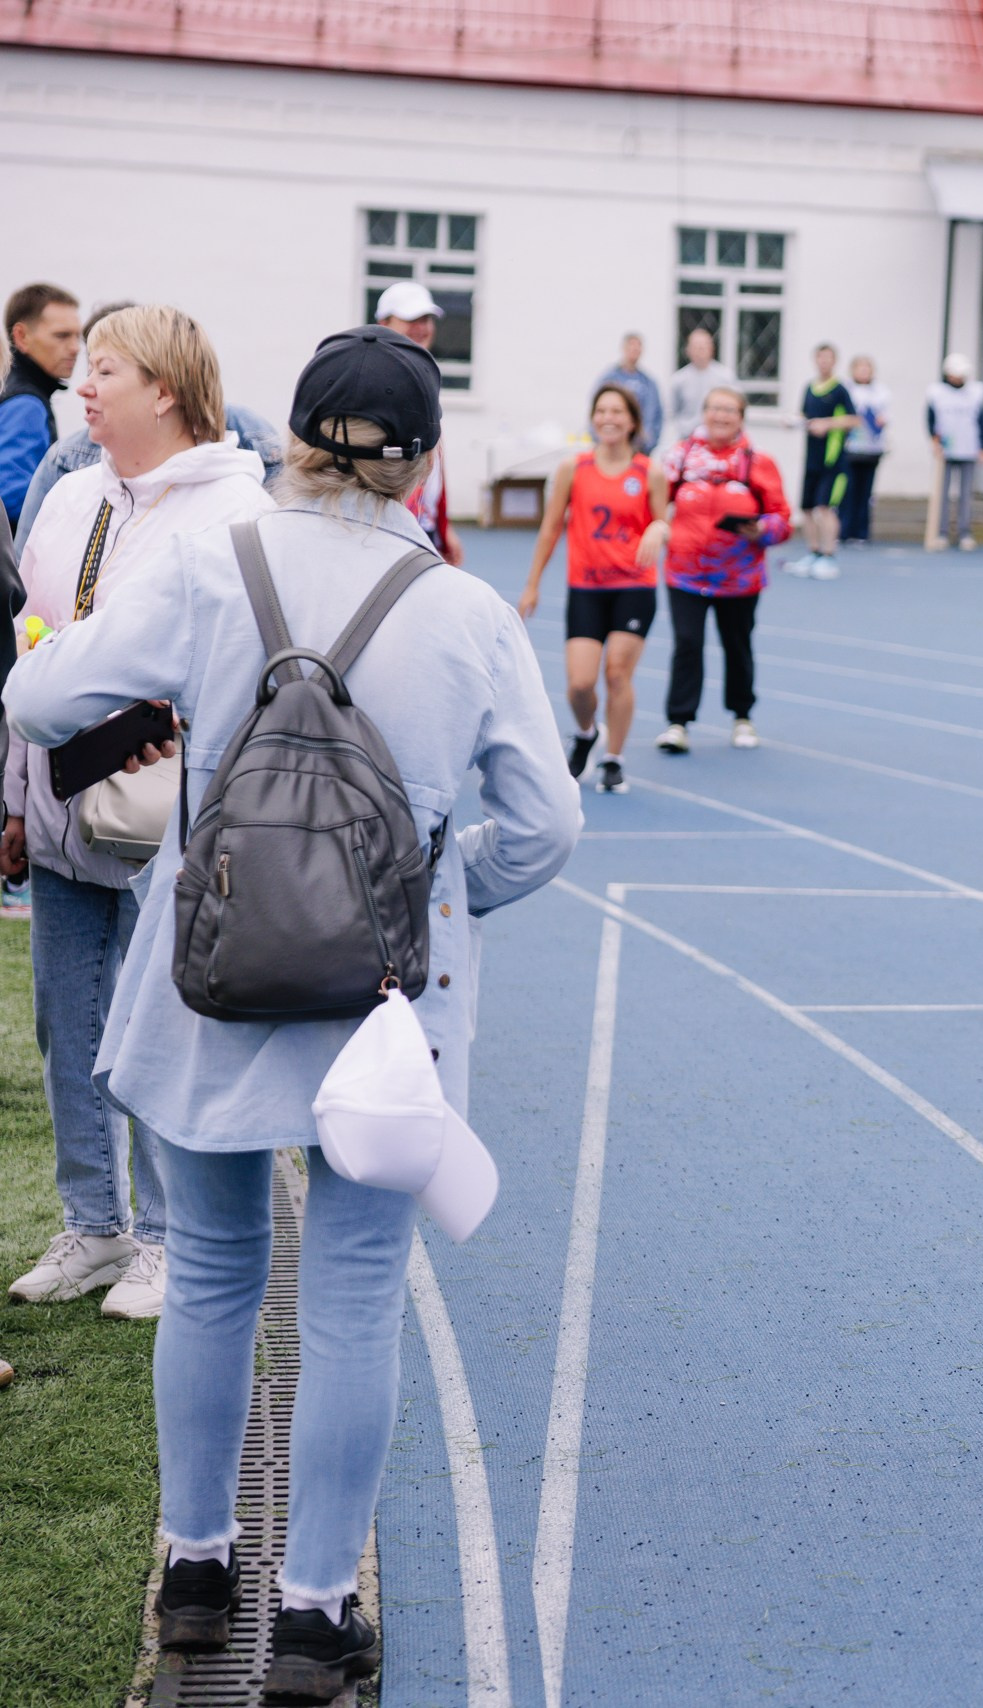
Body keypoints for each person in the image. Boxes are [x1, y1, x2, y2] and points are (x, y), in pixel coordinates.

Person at [5, 322, 580, 1703]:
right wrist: (450, 894)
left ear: (294, 440)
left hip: (206, 977)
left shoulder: (213, 560)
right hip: (384, 1002)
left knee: (209, 1270)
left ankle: (197, 1573)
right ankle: (317, 1617)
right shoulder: (465, 612)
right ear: (425, 461)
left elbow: (37, 696)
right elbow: (546, 825)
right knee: (356, 1294)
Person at [2, 305, 269, 1324]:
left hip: (173, 819)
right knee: (65, 1028)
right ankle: (93, 1222)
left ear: (166, 385)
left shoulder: (235, 510)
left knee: (158, 1030)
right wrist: (16, 796)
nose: (84, 382)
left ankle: (163, 1238)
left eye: (104, 366)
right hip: (62, 807)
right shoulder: (69, 496)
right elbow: (31, 651)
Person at [20, 300, 284, 542]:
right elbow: (25, 587)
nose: (83, 388)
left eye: (105, 372)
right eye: (89, 370)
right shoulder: (70, 489)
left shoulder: (241, 509)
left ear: (163, 393)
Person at [517, 383, 667, 795]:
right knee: (580, 685)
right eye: (601, 411)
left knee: (618, 673)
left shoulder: (648, 472)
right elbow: (551, 528)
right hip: (586, 587)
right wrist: (532, 585)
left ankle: (613, 759)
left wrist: (658, 527)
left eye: (618, 412)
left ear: (633, 421)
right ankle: (586, 733)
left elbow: (663, 519)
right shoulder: (574, 469)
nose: (609, 419)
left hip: (634, 586)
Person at [653, 386, 788, 754]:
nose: (721, 416)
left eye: (730, 410)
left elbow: (782, 518)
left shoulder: (759, 462)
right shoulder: (678, 457)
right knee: (687, 645)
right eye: (714, 408)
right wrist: (656, 528)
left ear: (742, 418)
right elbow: (652, 505)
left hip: (739, 578)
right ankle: (678, 722)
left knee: (737, 645)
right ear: (703, 412)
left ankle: (742, 716)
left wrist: (763, 529)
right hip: (684, 573)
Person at [374, 281, 460, 566]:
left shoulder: (425, 374)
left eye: (426, 319)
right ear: (383, 324)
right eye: (411, 319)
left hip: (423, 525)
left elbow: (432, 457)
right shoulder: (376, 379)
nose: (422, 327)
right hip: (390, 526)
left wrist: (444, 528)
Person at [0, 282, 80, 529]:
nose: (76, 348)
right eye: (62, 336)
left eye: (78, 336)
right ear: (21, 336)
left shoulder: (11, 388)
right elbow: (11, 495)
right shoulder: (27, 403)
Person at [794, 343, 850, 579]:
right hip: (812, 458)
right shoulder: (809, 387)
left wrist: (827, 424)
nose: (824, 362)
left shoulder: (839, 390)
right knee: (807, 508)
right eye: (820, 358)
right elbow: (804, 415)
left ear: (834, 361)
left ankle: (829, 555)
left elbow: (854, 419)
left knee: (825, 508)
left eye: (828, 358)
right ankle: (813, 552)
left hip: (832, 459)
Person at [926, 353, 983, 551]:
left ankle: (964, 531)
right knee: (942, 493)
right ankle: (941, 531)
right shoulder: (936, 392)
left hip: (968, 447)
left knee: (965, 493)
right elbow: (930, 419)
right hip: (945, 450)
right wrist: (934, 440)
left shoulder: (976, 392)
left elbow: (982, 420)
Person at [839, 355, 889, 548]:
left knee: (865, 493)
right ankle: (844, 530)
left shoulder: (881, 392)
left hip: (872, 449)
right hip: (851, 447)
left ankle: (862, 532)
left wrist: (881, 421)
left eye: (867, 368)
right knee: (848, 490)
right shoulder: (846, 389)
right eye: (859, 368)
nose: (863, 372)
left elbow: (885, 417)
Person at [666, 326, 736, 448]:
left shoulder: (725, 377)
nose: (700, 350)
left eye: (703, 346)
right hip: (688, 440)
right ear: (688, 350)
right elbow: (671, 412)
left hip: (718, 442)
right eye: (696, 347)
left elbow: (735, 408)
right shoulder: (679, 379)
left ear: (711, 349)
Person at [596, 332, 664, 453]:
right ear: (623, 349)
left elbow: (657, 415)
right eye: (630, 346)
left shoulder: (648, 383)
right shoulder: (609, 379)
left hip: (641, 448)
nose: (634, 350)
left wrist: (649, 441)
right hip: (612, 447)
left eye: (637, 347)